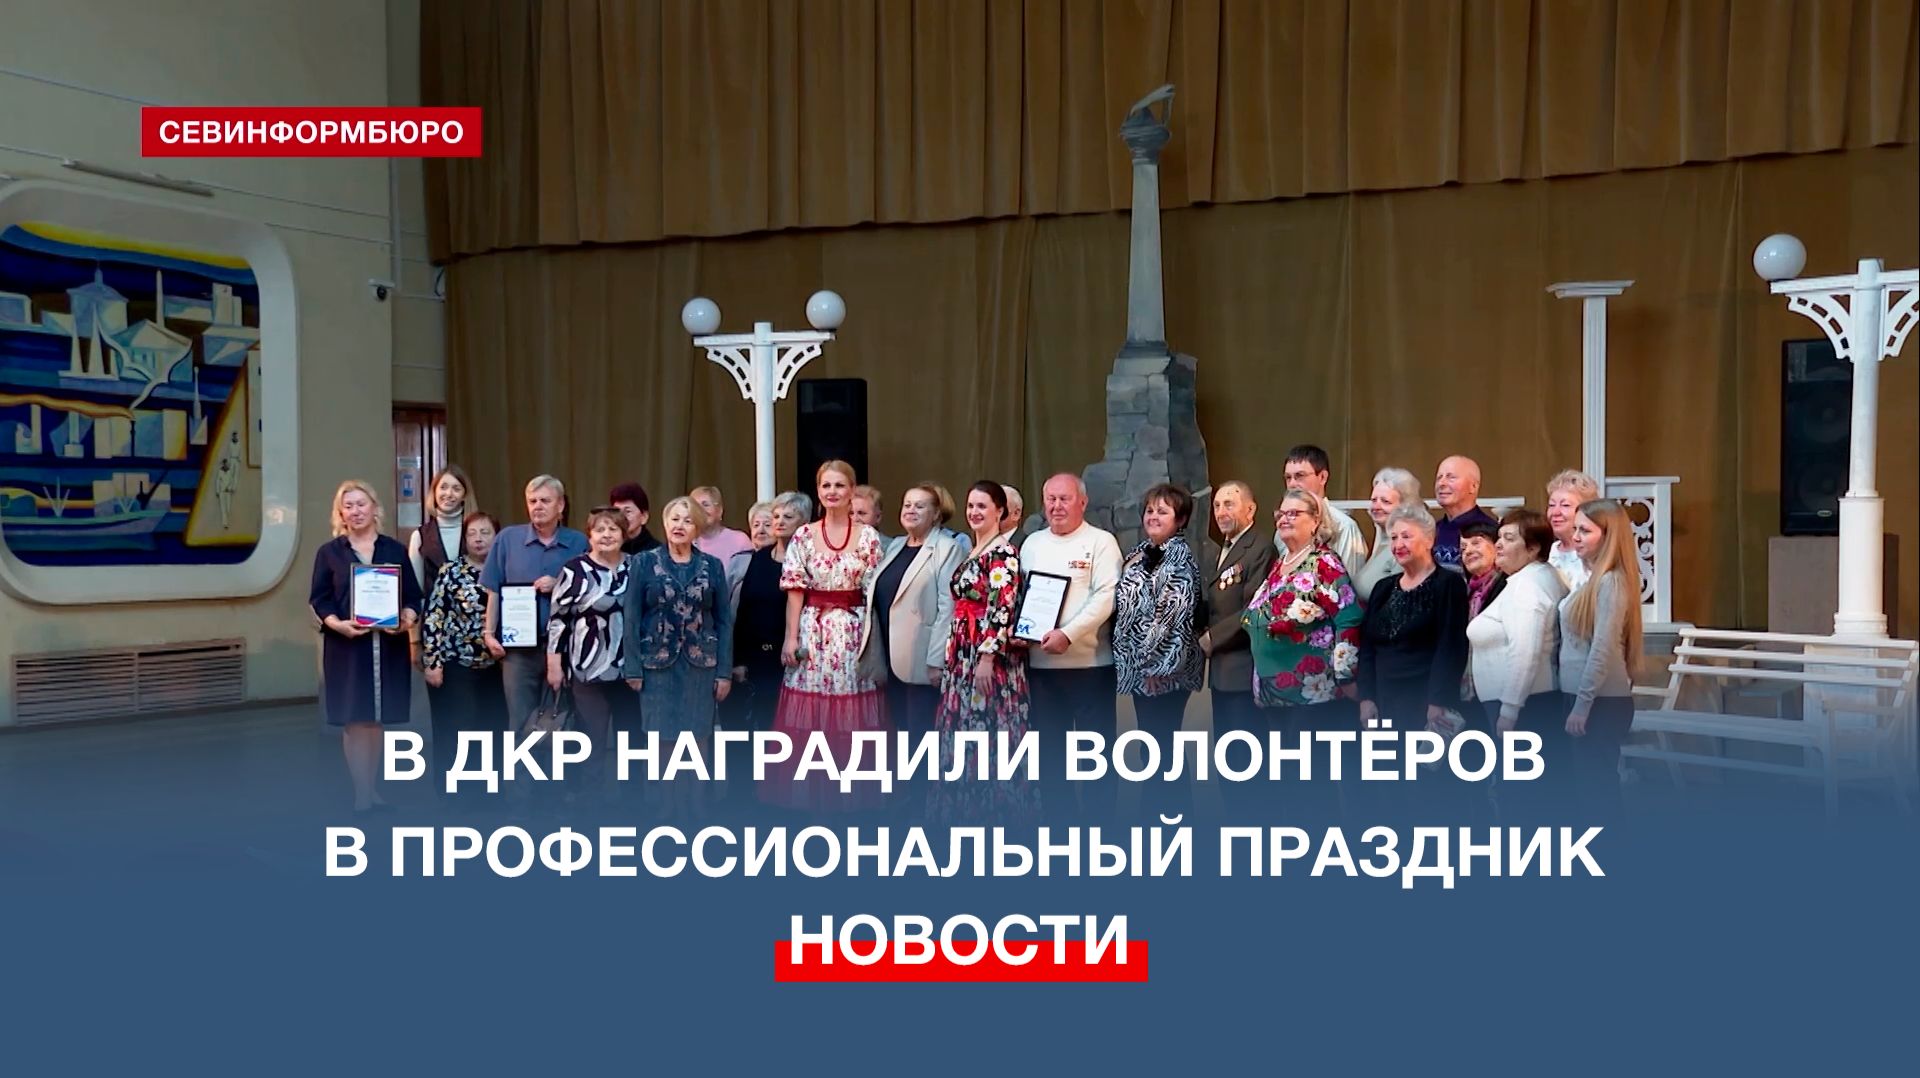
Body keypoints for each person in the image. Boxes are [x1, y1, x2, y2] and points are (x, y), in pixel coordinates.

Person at [765, 461, 888, 812]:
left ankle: (852, 795)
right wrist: (790, 638)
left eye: (839, 485)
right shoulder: (803, 535)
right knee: (810, 709)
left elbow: (875, 590)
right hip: (813, 632)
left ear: (852, 491)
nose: (832, 492)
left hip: (853, 633)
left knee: (853, 709)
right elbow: (795, 590)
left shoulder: (868, 536)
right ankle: (809, 795)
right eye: (826, 485)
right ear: (818, 491)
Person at [310, 480, 422, 814]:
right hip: (348, 648)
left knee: (376, 720)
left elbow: (413, 596)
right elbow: (319, 600)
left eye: (361, 504)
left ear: (374, 508)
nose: (355, 511)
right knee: (356, 718)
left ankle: (371, 789)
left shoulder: (395, 550)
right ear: (340, 513)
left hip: (387, 646)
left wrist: (407, 618)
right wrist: (337, 624)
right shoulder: (329, 553)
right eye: (348, 506)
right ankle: (362, 794)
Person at [930, 481, 1037, 822]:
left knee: (988, 727)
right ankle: (963, 810)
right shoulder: (974, 550)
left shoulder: (1003, 552)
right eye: (971, 505)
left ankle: (994, 813)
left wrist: (988, 657)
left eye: (982, 506)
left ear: (1000, 511)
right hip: (963, 652)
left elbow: (1001, 606)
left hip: (986, 656)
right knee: (963, 729)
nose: (974, 512)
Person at [623, 496, 734, 820]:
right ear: (664, 522)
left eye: (687, 520)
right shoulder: (644, 562)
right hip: (656, 664)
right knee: (662, 739)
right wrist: (633, 667)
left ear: (697, 527)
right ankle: (665, 809)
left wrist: (724, 672)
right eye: (674, 519)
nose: (680, 526)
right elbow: (631, 617)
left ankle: (695, 809)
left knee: (697, 738)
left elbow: (724, 621)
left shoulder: (712, 565)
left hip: (701, 665)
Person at [1019, 473, 1123, 812]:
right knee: (1051, 760)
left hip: (1091, 668)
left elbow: (1107, 596)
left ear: (1083, 502)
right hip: (1041, 669)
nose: (1056, 506)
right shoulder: (1031, 544)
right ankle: (1059, 833)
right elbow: (1019, 597)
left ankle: (1100, 833)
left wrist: (1069, 634)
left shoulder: (1101, 542)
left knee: (1095, 759)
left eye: (1064, 499)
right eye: (1050, 499)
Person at [1465, 509, 1568, 815]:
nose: (1498, 544)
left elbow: (1525, 650)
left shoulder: (1528, 586)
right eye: (1499, 537)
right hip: (1521, 703)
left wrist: (1510, 710)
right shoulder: (1529, 578)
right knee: (1524, 794)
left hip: (1521, 706)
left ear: (1533, 548)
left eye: (1509, 539)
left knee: (1522, 798)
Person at [1113, 484, 1203, 812]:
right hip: (1139, 668)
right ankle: (1155, 814)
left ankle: (1171, 818)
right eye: (1150, 510)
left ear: (1180, 520)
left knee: (1161, 748)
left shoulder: (1179, 558)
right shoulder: (1139, 553)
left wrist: (1156, 668)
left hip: (1165, 671)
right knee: (1150, 746)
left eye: (1162, 511)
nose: (1153, 516)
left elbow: (1172, 617)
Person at [1356, 503, 1469, 752]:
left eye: (1406, 536)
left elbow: (1451, 647)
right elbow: (1368, 647)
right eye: (1393, 538)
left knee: (1419, 772)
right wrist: (1366, 697)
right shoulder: (1383, 588)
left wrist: (1438, 700)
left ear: (1429, 540)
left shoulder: (1448, 584)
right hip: (1383, 698)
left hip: (1424, 700)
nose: (1398, 544)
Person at [481, 475, 589, 731]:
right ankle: (521, 760)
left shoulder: (579, 542)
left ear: (560, 505)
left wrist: (559, 584)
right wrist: (488, 633)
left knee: (561, 722)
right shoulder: (508, 539)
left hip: (565, 647)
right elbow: (494, 590)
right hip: (519, 651)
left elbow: (589, 593)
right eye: (532, 501)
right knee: (520, 722)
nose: (537, 506)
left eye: (545, 501)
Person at [1246, 489, 1364, 719]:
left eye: (1293, 513)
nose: (1284, 519)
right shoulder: (1281, 564)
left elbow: (1349, 617)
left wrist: (1346, 676)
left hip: (1313, 698)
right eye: (1281, 514)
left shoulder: (1323, 563)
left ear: (1315, 521)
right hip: (1274, 697)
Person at [1558, 499, 1643, 815]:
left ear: (1608, 536)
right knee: (1586, 791)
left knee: (1596, 792)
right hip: (1584, 698)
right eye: (1575, 529)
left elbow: (1603, 648)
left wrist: (1583, 705)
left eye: (1585, 530)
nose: (1575, 537)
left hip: (1599, 703)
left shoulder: (1611, 581)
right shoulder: (1592, 578)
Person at [545, 507, 635, 799]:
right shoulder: (575, 570)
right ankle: (589, 805)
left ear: (624, 534)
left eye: (613, 529)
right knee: (590, 742)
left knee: (631, 744)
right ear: (590, 535)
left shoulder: (637, 566)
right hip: (587, 670)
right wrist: (554, 665)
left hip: (630, 671)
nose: (606, 535)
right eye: (600, 530)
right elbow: (558, 620)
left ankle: (632, 804)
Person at [863, 482, 963, 739]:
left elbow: (948, 608)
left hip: (922, 658)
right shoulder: (895, 545)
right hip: (890, 656)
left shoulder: (947, 548)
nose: (911, 510)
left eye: (920, 506)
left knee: (921, 736)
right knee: (901, 733)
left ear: (936, 514)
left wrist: (936, 660)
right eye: (907, 505)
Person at [420, 510, 506, 798]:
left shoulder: (506, 569)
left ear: (497, 536)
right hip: (457, 663)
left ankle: (488, 792)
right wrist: (432, 661)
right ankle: (455, 793)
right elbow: (434, 616)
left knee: (492, 729)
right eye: (472, 533)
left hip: (498, 665)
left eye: (485, 532)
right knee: (458, 729)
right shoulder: (451, 571)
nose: (478, 539)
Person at [1201, 480, 1275, 748]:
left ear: (1250, 509)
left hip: (1244, 669)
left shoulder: (1260, 548)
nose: (1221, 512)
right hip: (1222, 671)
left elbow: (1255, 607)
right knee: (1227, 754)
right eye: (1217, 506)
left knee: (1246, 755)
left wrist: (1212, 638)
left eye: (1229, 505)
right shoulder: (1222, 549)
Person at [407, 464, 477, 645]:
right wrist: (414, 640)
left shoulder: (476, 533)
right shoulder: (420, 536)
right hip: (434, 631)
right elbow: (415, 591)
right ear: (434, 492)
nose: (449, 494)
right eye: (443, 487)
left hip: (474, 630)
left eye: (456, 488)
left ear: (465, 495)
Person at [1278, 445, 1367, 571]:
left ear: (1322, 477)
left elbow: (1351, 579)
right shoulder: (1283, 524)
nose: (1292, 484)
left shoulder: (1344, 527)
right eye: (1288, 477)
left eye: (1300, 476)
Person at [1353, 468, 1421, 598]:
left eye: (1385, 501)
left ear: (1405, 506)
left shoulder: (1403, 548)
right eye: (1374, 500)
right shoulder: (1381, 540)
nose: (1376, 507)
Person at [1433, 455, 1499, 574]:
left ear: (1473, 486)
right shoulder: (1431, 531)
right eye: (1439, 478)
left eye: (1451, 477)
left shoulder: (1490, 531)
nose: (1441, 483)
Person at [1544, 469, 1602, 592]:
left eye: (1565, 505)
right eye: (1552, 505)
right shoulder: (1546, 552)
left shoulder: (1596, 555)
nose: (1555, 512)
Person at [691, 485, 754, 567]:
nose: (700, 510)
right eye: (696, 506)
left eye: (706, 505)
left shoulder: (739, 540)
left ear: (720, 510)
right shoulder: (687, 542)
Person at [1459, 518, 1506, 619]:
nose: (1468, 551)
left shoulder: (1508, 585)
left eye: (1476, 543)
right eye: (1463, 548)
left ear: (1497, 545)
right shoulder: (1466, 593)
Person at [609, 480, 659, 555]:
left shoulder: (657, 553)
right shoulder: (606, 548)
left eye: (628, 511)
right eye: (617, 511)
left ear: (644, 517)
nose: (622, 517)